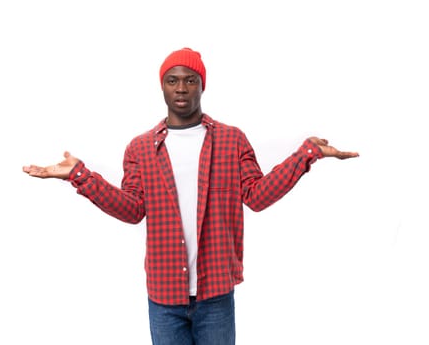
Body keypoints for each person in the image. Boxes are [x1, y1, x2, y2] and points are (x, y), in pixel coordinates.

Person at [22, 47, 359, 345]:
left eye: (189, 80)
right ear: (162, 86)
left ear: (201, 85)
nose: (181, 88)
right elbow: (132, 209)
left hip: (216, 295)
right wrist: (80, 176)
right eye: (172, 80)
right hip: (165, 297)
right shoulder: (140, 148)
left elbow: (257, 196)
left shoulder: (231, 140)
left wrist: (307, 154)